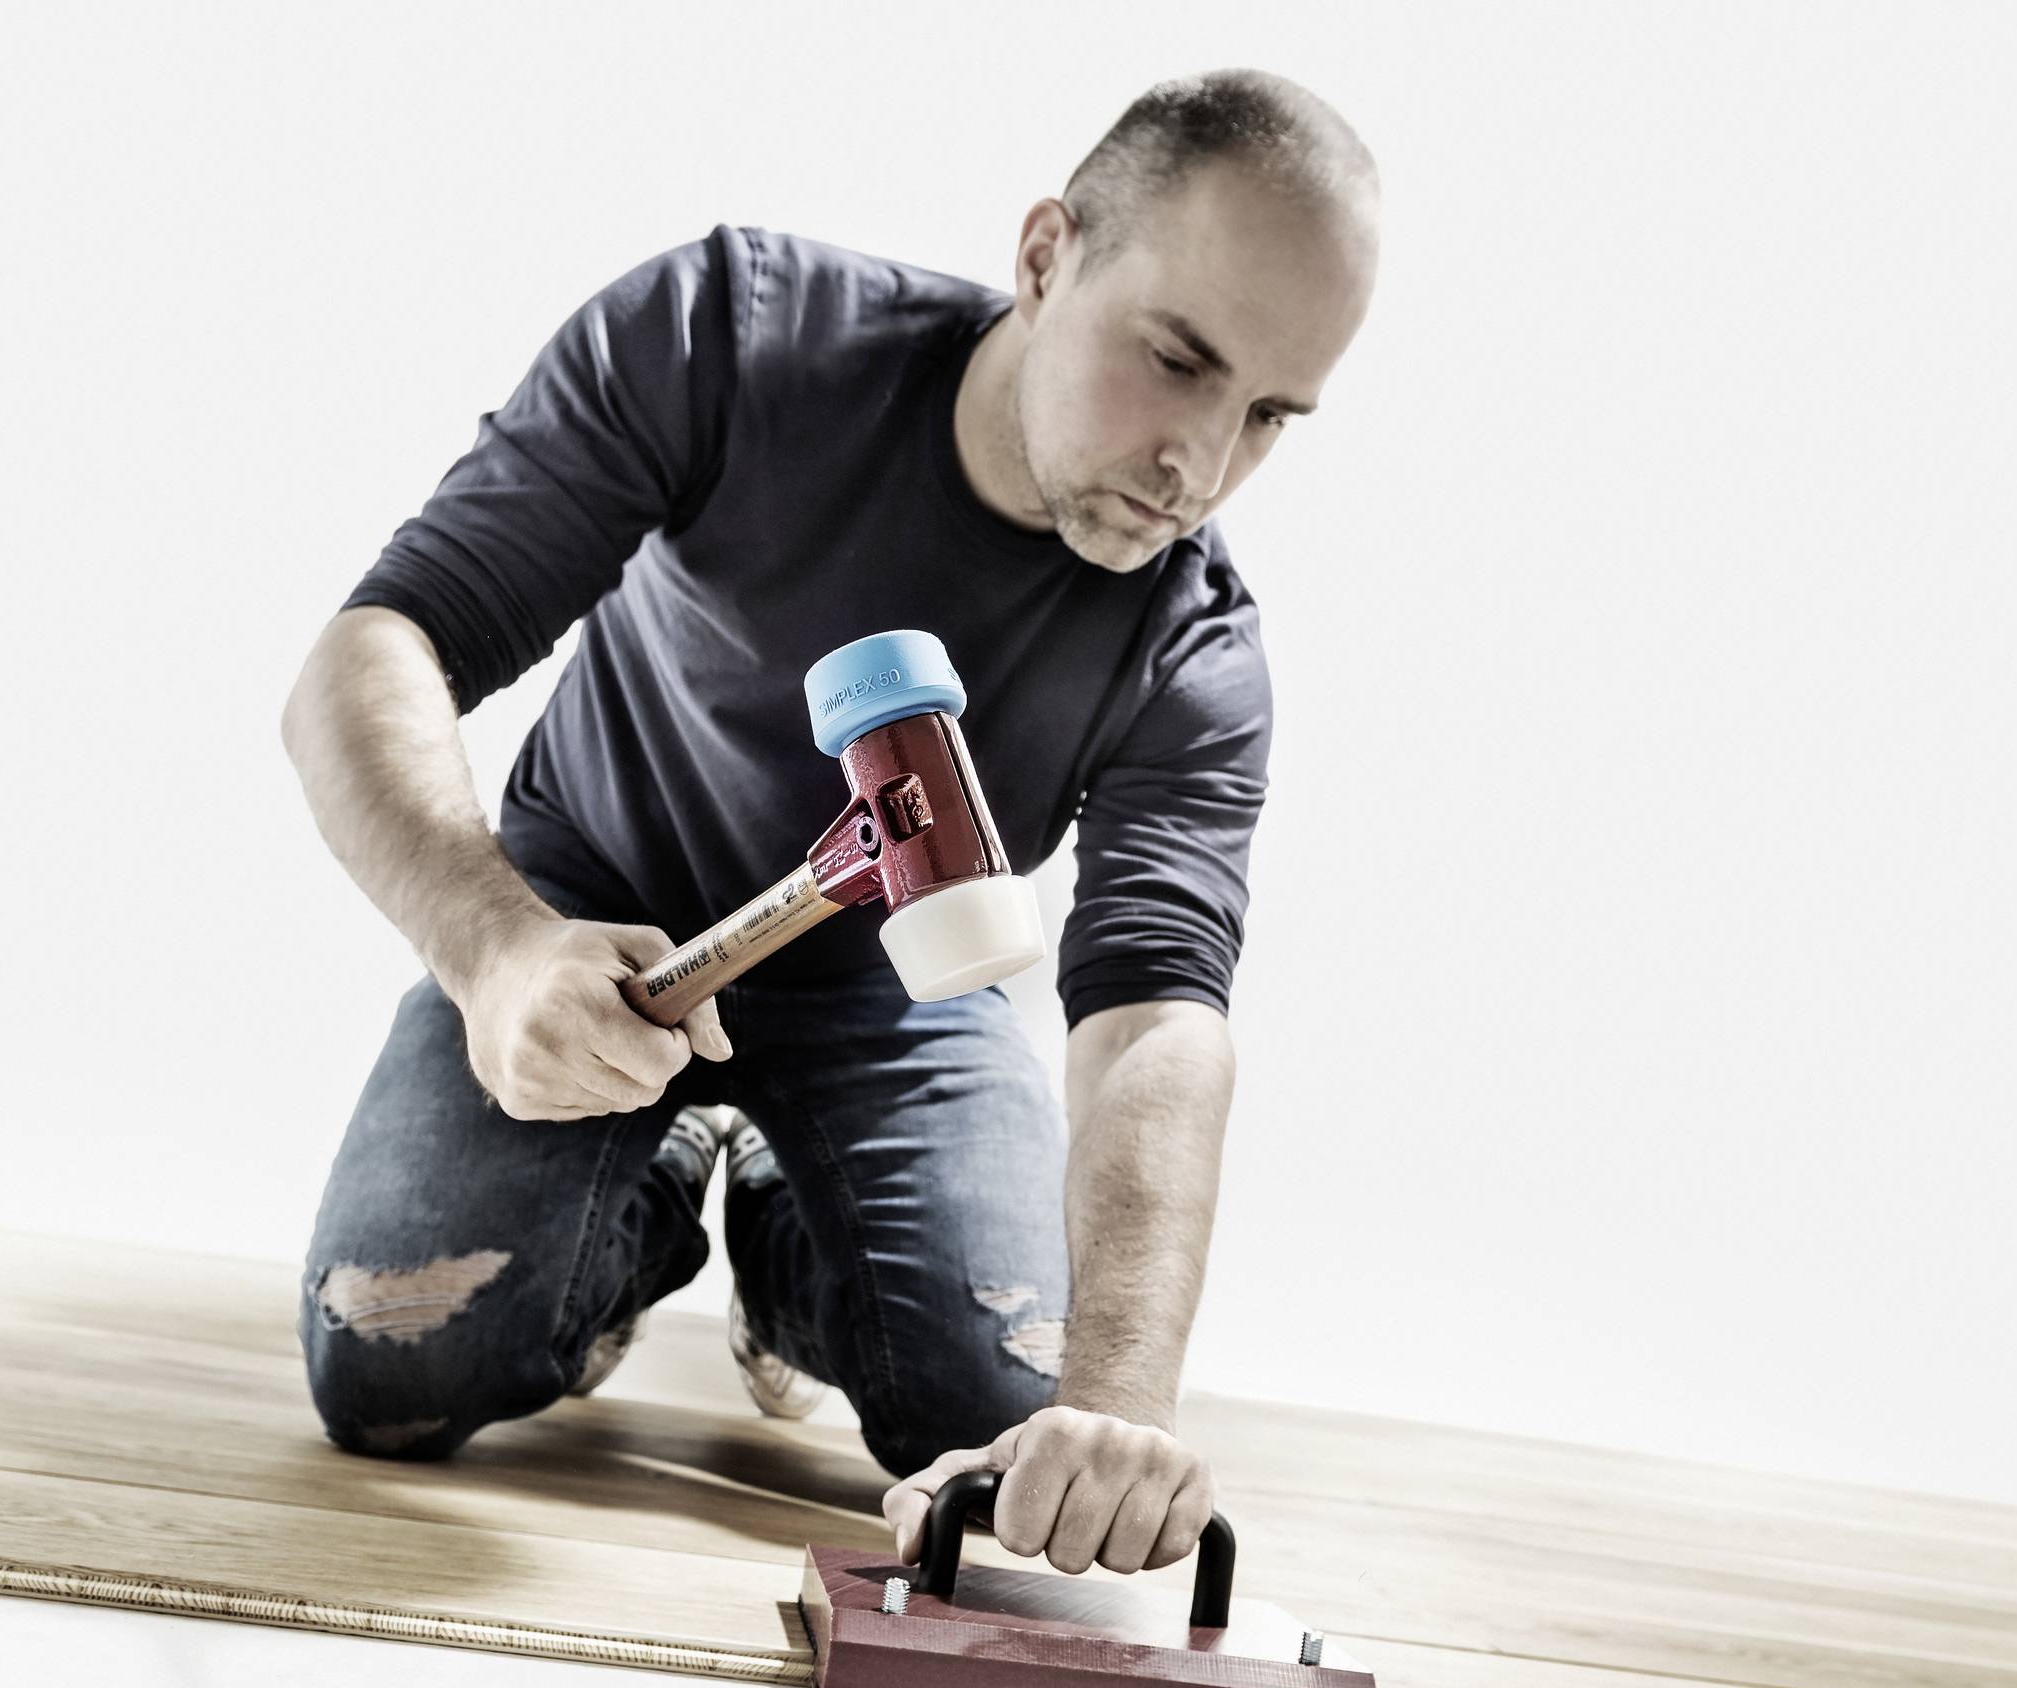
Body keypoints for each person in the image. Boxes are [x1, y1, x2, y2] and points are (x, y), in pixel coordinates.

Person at [279, 67, 1378, 1583]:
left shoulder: (1193, 650)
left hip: (899, 993)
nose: (1204, 462)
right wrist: (495, 950)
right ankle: (647, 1196)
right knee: (388, 1358)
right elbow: (372, 652)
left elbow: (1152, 1027)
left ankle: (798, 1235)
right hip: (580, 918)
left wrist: (1117, 1408)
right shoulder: (730, 336)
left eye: (1270, 413)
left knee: (1008, 1417)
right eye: (1180, 359)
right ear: (1048, 254)